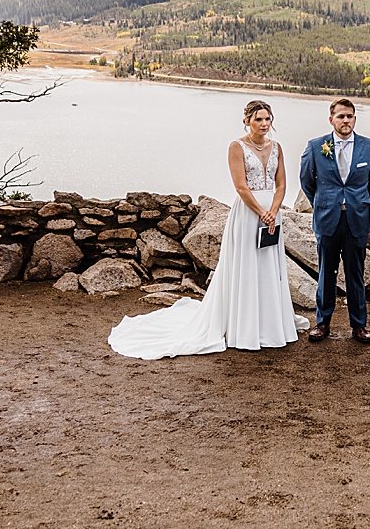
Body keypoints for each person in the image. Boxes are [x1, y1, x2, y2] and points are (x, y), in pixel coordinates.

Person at [110, 100, 308, 358]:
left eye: (267, 119)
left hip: (272, 212)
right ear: (247, 120)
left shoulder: (277, 147)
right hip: (249, 214)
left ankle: (270, 324)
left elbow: (281, 184)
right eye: (258, 119)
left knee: (269, 265)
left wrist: (273, 211)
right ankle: (243, 326)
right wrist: (261, 213)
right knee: (246, 265)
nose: (264, 124)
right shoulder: (237, 147)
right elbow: (240, 187)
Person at [298, 98, 370, 345]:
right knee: (326, 271)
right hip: (327, 218)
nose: (345, 120)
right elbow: (307, 182)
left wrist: (358, 202)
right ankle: (322, 323)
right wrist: (325, 202)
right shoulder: (316, 146)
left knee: (355, 273)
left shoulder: (369, 147)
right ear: (331, 120)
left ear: (354, 119)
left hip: (356, 218)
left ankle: (359, 326)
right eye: (341, 117)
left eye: (349, 116)